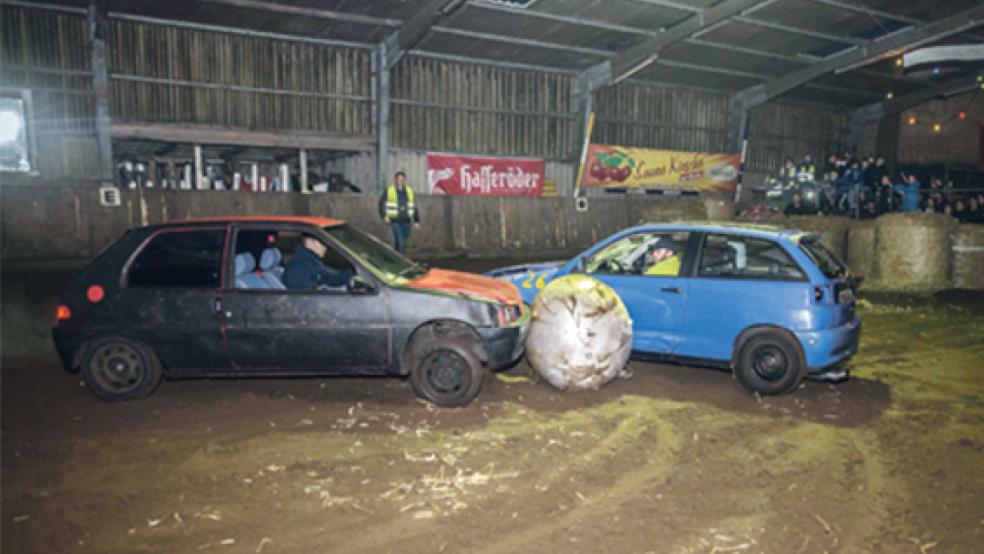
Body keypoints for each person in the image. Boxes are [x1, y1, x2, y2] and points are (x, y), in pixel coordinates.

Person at [282, 235, 352, 290]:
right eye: (322, 243)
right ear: (309, 242)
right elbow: (303, 299)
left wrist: (353, 272)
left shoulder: (310, 261)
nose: (325, 247)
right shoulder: (299, 268)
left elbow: (330, 277)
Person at [378, 170, 420, 253]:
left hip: (406, 221)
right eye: (399, 179)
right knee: (402, 243)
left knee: (400, 242)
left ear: (405, 180)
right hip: (395, 221)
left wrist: (416, 221)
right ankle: (401, 261)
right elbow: (381, 203)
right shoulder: (390, 190)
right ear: (396, 180)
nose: (401, 181)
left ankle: (395, 257)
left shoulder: (409, 191)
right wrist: (384, 216)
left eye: (402, 179)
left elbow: (413, 206)